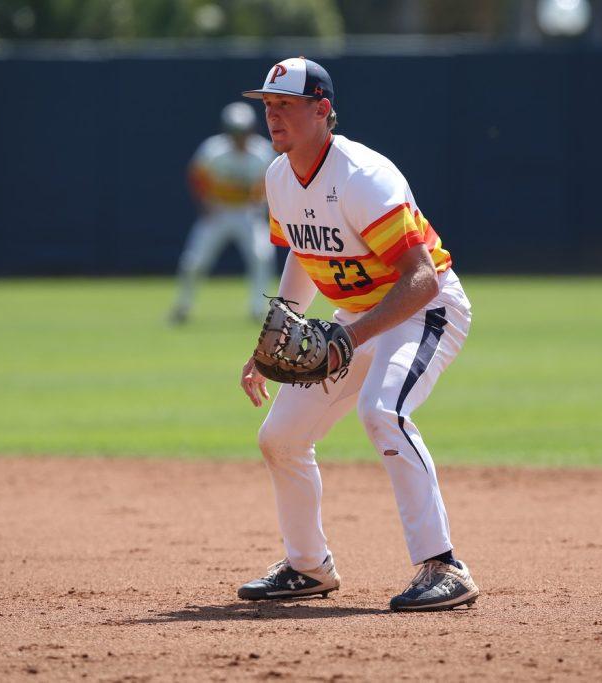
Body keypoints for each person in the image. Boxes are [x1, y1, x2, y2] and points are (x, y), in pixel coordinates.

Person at [236, 57, 479, 612]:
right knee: (281, 437)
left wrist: (349, 338)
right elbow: (305, 251)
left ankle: (444, 565)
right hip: (359, 319)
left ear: (322, 110)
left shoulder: (363, 176)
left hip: (425, 309)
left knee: (382, 411)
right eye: (268, 107)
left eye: (287, 106)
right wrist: (274, 337)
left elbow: (419, 281)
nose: (273, 118)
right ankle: (306, 567)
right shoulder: (278, 176)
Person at [169, 102, 276, 324]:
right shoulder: (213, 150)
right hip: (218, 211)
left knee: (262, 256)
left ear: (251, 130)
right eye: (235, 131)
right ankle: (183, 306)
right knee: (193, 262)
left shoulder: (262, 152)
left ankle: (258, 309)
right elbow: (196, 175)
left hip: (247, 212)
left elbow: (271, 182)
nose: (239, 137)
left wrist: (262, 203)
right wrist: (204, 204)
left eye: (243, 131)